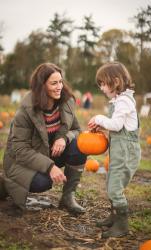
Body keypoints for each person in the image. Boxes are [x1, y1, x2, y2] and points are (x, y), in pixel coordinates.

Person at [1, 62, 87, 216]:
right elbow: (20, 150)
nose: (59, 86)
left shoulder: (66, 102)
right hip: (21, 162)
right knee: (43, 182)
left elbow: (76, 130)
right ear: (42, 86)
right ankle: (5, 185)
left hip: (49, 152)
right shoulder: (26, 111)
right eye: (54, 83)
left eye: (60, 82)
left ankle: (68, 197)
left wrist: (63, 139)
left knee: (79, 145)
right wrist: (49, 167)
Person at [88, 62, 141, 238]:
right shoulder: (119, 100)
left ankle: (122, 225)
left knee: (114, 189)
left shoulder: (125, 101)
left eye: (103, 83)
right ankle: (114, 216)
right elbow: (118, 127)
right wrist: (104, 128)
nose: (101, 88)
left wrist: (99, 118)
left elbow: (117, 125)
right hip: (119, 152)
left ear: (116, 82)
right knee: (112, 183)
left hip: (126, 153)